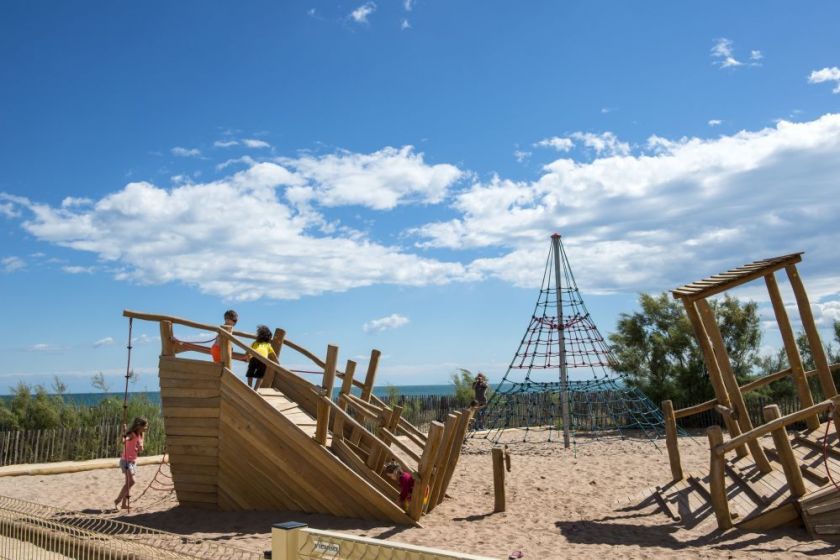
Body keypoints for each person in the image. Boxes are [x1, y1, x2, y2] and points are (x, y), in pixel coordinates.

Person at [114, 416, 148, 511]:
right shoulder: (132, 434)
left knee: (128, 483)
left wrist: (140, 448)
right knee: (132, 481)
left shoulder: (141, 435)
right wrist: (123, 432)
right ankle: (117, 501)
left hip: (133, 461)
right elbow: (123, 441)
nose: (146, 428)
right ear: (139, 426)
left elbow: (139, 448)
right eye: (145, 426)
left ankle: (124, 504)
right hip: (126, 461)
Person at [246, 325, 277, 389]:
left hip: (254, 358)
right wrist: (278, 364)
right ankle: (256, 389)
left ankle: (249, 387)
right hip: (263, 360)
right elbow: (274, 356)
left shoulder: (255, 342)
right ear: (269, 338)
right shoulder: (268, 345)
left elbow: (248, 351)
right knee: (260, 376)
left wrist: (248, 357)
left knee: (250, 374)